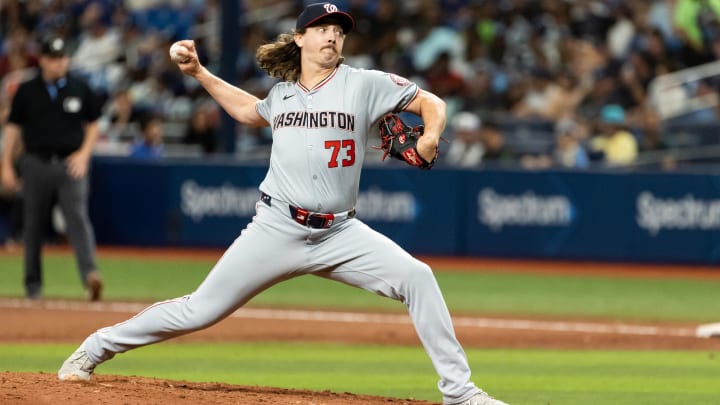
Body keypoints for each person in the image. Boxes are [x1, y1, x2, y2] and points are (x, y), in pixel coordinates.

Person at [57, 4, 508, 405]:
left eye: (338, 29)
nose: (332, 34)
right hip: (277, 226)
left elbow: (431, 102)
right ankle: (96, 347)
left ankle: (460, 393)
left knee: (418, 277)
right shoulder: (283, 95)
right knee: (201, 310)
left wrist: (429, 135)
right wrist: (198, 72)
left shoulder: (365, 84)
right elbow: (249, 111)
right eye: (321, 27)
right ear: (300, 38)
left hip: (340, 232)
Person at [0, 35, 103, 301]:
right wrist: (6, 166)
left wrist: (83, 155)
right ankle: (32, 286)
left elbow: (93, 125)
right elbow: (13, 129)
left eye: (63, 58)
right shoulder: (27, 90)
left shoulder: (80, 87)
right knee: (32, 224)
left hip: (70, 163)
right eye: (55, 58)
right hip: (35, 162)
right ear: (43, 60)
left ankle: (91, 276)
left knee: (78, 219)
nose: (60, 63)